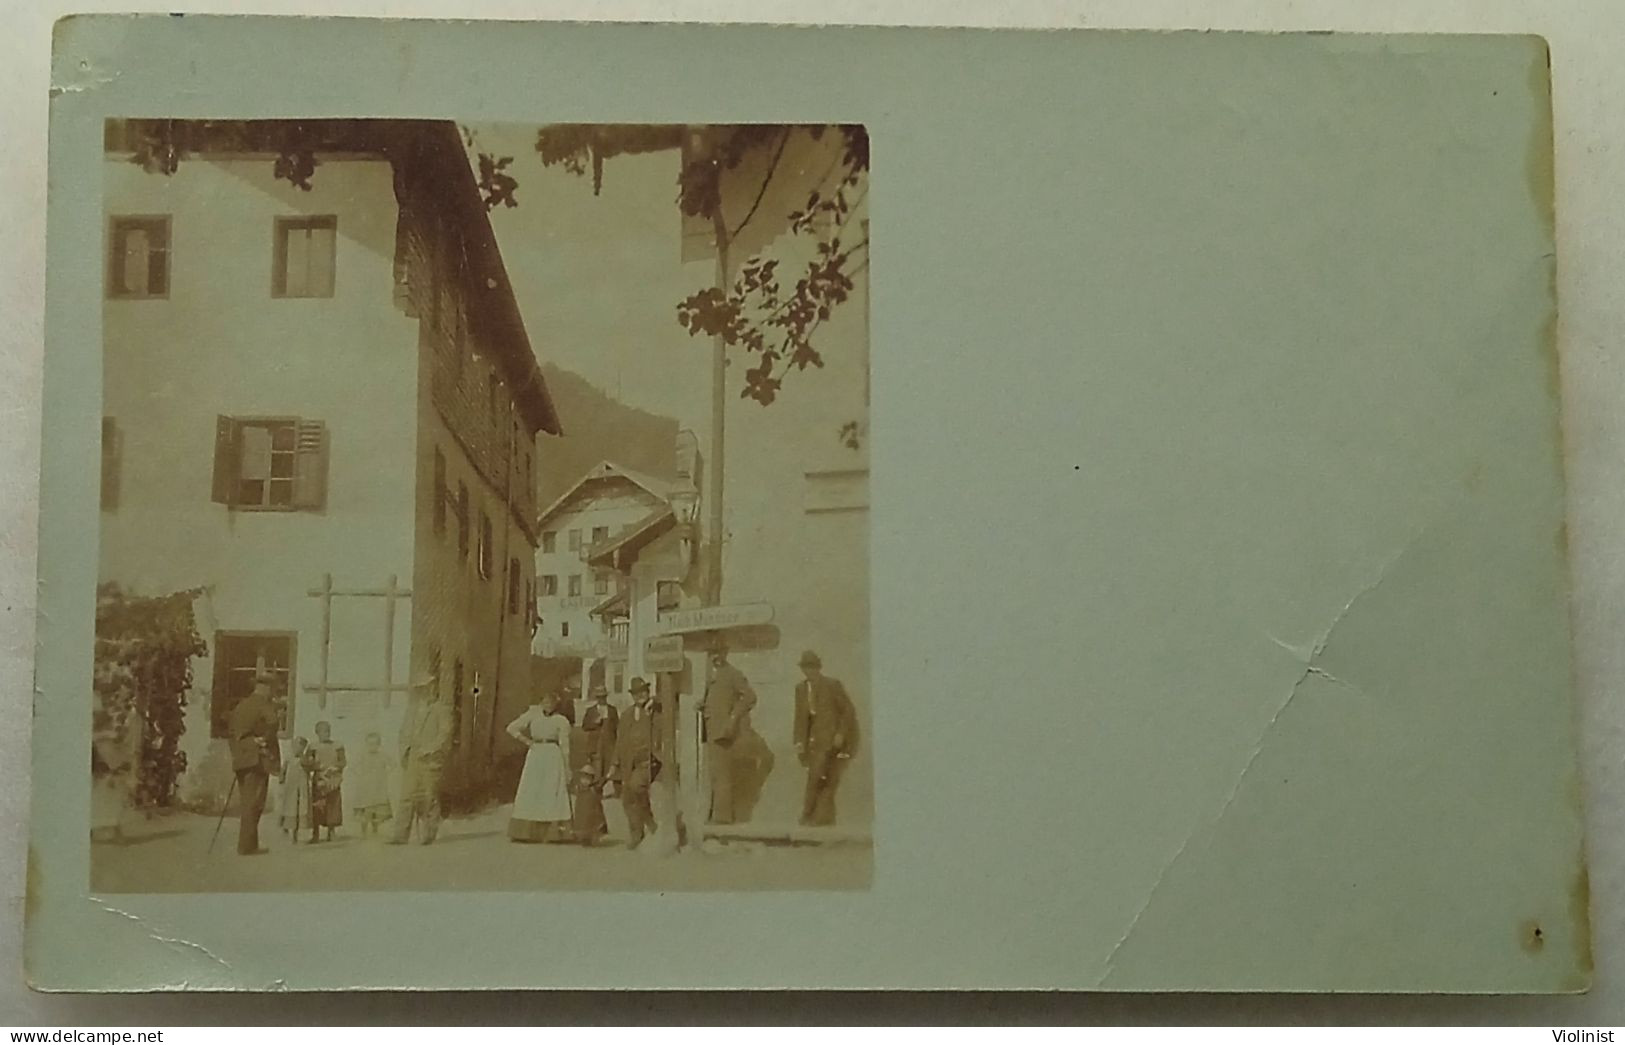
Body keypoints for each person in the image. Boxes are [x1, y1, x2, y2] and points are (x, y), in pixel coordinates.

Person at [792, 650, 859, 827]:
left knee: (825, 778)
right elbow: (799, 718)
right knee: (816, 777)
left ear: (818, 668)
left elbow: (848, 711)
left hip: (832, 741)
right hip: (812, 742)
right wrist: (799, 742)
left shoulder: (832, 685)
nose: (809, 671)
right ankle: (816, 817)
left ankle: (811, 816)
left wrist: (841, 734)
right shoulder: (800, 689)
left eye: (812, 667)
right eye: (806, 668)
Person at [390, 672, 453, 845]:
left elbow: (445, 733)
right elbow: (404, 731)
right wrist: (404, 751)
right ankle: (400, 835)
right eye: (420, 688)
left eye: (427, 687)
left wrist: (430, 749)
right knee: (406, 796)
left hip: (430, 758)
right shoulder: (413, 709)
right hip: (413, 758)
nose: (424, 691)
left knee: (429, 796)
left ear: (433, 687)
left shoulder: (441, 709)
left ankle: (429, 834)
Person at [505, 693, 574, 843]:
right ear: (541, 703)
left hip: (553, 756)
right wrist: (527, 741)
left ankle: (552, 833)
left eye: (551, 702)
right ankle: (528, 832)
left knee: (551, 791)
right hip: (536, 754)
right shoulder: (533, 715)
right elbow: (511, 728)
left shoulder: (561, 721)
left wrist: (567, 767)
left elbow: (565, 745)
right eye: (545, 702)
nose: (548, 705)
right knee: (532, 789)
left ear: (556, 704)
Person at [701, 641, 757, 824]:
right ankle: (716, 815)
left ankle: (722, 819)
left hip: (723, 731)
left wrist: (733, 717)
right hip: (709, 730)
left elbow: (749, 696)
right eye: (713, 653)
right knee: (715, 774)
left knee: (722, 774)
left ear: (726, 653)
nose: (716, 657)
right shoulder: (709, 675)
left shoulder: (733, 674)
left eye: (719, 653)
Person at [227, 673, 282, 856]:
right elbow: (273, 722)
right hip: (257, 759)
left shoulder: (241, 706)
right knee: (255, 803)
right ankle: (246, 847)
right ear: (265, 688)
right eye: (271, 688)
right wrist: (263, 740)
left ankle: (249, 844)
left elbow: (233, 733)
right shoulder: (263, 704)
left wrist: (246, 744)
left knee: (247, 802)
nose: (272, 692)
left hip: (242, 759)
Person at [611, 677, 664, 850]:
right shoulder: (627, 714)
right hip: (629, 762)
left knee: (636, 787)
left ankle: (650, 823)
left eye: (643, 691)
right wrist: (614, 763)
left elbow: (667, 705)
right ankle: (637, 833)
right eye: (636, 693)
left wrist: (653, 706)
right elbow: (620, 740)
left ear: (648, 692)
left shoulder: (656, 711)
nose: (640, 695)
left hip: (648, 761)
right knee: (627, 798)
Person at [573, 681, 618, 845]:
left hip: (609, 747)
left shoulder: (612, 710)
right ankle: (594, 818)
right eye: (599, 697)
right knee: (594, 778)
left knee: (605, 776)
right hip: (595, 748)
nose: (601, 700)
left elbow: (616, 729)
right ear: (595, 698)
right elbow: (584, 726)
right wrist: (595, 722)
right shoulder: (590, 711)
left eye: (603, 697)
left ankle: (597, 820)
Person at [303, 720, 346, 843]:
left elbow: (343, 761)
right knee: (318, 806)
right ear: (317, 733)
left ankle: (331, 832)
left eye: (327, 731)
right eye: (322, 732)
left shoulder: (337, 745)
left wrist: (336, 767)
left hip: (333, 779)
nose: (325, 734)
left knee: (333, 805)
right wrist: (315, 765)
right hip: (320, 779)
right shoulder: (313, 747)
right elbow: (306, 762)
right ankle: (315, 834)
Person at [349, 732, 393, 838]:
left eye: (375, 744)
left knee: (376, 809)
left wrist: (386, 773)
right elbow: (352, 766)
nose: (372, 747)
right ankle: (363, 831)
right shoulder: (363, 756)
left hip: (378, 786)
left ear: (379, 745)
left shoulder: (382, 756)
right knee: (365, 809)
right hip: (365, 786)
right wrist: (360, 774)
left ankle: (375, 830)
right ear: (366, 744)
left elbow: (393, 764)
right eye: (370, 744)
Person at [278, 735, 311, 842]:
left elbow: (308, 767)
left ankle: (296, 832)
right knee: (289, 806)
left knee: (300, 807)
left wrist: (302, 757)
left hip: (301, 785)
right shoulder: (289, 757)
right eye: (296, 746)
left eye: (301, 747)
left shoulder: (304, 758)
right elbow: (283, 768)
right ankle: (286, 827)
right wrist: (281, 777)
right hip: (290, 785)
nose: (298, 749)